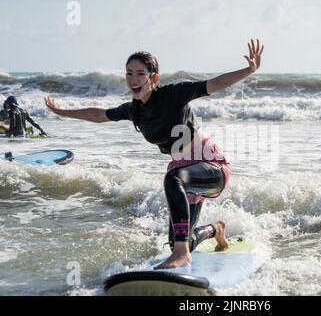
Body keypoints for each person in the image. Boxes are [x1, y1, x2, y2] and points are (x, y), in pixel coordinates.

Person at [45, 39, 264, 269]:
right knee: (180, 240)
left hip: (212, 168)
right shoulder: (134, 110)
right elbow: (99, 115)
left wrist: (249, 69)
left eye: (140, 73)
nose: (133, 79)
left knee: (173, 179)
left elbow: (215, 83)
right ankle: (214, 230)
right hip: (188, 178)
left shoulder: (174, 94)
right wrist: (62, 112)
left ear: (154, 78)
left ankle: (182, 254)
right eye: (129, 73)